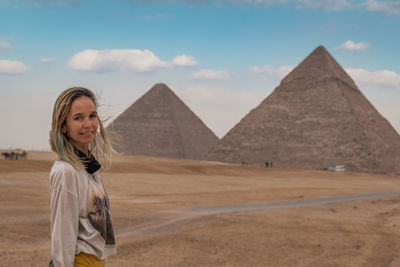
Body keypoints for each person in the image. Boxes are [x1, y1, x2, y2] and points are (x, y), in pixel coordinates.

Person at [48, 87, 115, 267]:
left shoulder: (88, 168)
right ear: (63, 125)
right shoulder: (66, 171)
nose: (88, 124)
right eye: (78, 118)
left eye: (92, 116)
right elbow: (63, 234)